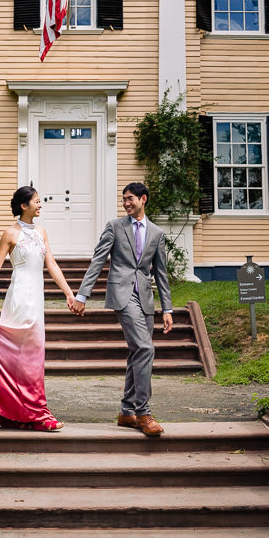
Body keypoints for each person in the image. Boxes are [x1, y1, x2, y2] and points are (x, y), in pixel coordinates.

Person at [0, 186, 84, 430]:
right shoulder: (10, 233)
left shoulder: (42, 232)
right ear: (24, 205)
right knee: (17, 357)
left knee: (33, 358)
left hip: (36, 300)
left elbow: (52, 265)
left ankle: (29, 412)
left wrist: (69, 293)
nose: (40, 205)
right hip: (19, 298)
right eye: (36, 201)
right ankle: (32, 415)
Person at [73, 182, 171, 437]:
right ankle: (143, 413)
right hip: (122, 295)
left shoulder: (157, 234)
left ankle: (126, 412)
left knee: (136, 353)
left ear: (143, 199)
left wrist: (167, 309)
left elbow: (161, 273)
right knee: (145, 348)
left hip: (146, 298)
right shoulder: (115, 227)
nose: (126, 203)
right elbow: (98, 260)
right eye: (124, 199)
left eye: (130, 199)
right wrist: (82, 294)